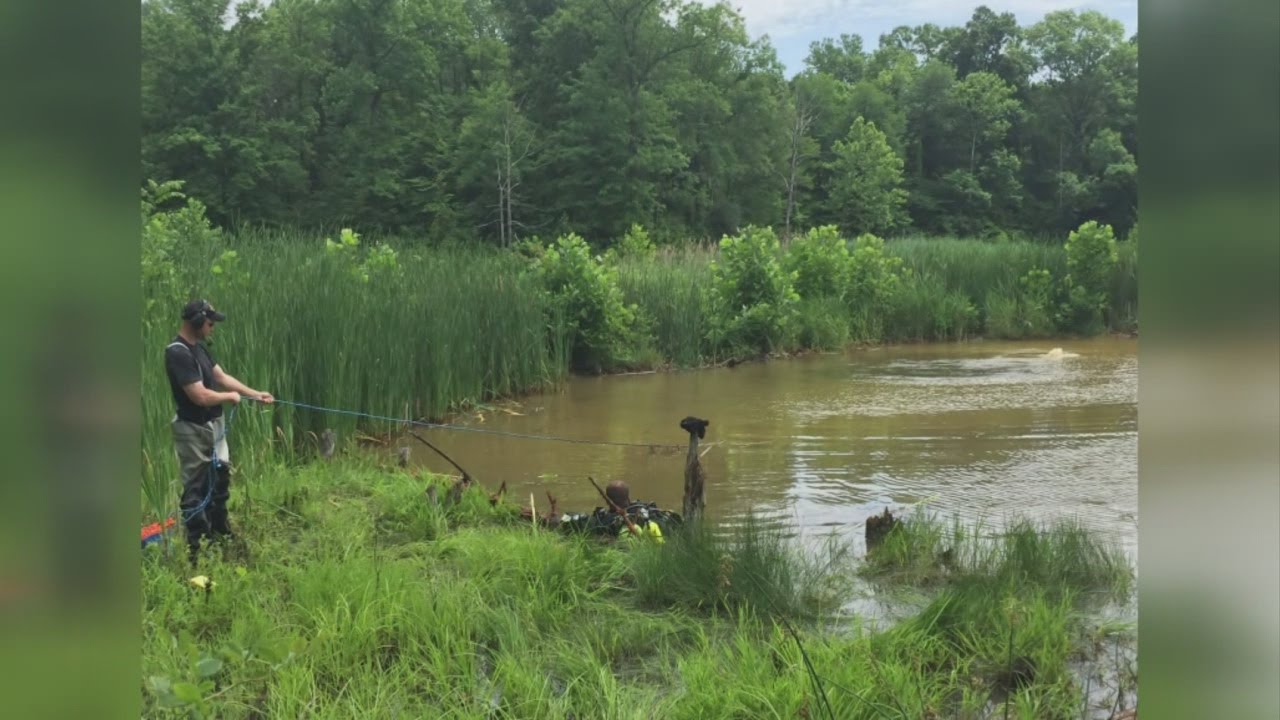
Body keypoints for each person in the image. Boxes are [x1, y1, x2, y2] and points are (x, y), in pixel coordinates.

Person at [165, 299, 273, 561]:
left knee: (220, 477)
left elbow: (222, 378)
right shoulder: (177, 352)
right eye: (210, 323)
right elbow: (199, 395)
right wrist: (229, 398)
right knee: (196, 488)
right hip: (193, 429)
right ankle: (196, 548)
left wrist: (254, 394)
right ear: (198, 322)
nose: (213, 328)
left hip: (215, 426)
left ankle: (219, 531)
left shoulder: (199, 349)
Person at [556, 480, 682, 542]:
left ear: (607, 500)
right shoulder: (647, 511)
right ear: (628, 497)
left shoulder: (605, 520)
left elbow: (572, 521)